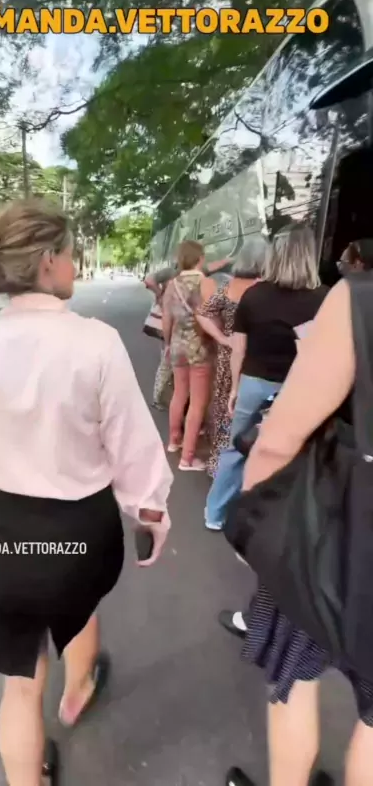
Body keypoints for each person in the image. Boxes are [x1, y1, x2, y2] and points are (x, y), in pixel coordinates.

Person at [0, 199, 173, 786]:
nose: (73, 263)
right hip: (79, 533)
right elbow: (132, 445)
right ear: (47, 260)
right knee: (78, 604)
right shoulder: (95, 343)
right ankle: (79, 689)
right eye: (70, 253)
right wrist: (150, 512)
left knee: (19, 686)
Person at [227, 276, 373, 786]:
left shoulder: (358, 300)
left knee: (293, 676)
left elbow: (277, 440)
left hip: (330, 537)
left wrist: (251, 523)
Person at [217, 226, 328, 639]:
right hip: (297, 389)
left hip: (254, 382)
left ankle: (218, 513)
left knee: (237, 448)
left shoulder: (255, 295)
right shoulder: (325, 299)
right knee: (289, 457)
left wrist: (233, 388)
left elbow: (239, 348)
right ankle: (272, 520)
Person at [196, 236, 269, 481]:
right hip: (256, 359)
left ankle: (218, 464)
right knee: (253, 414)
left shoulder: (229, 286)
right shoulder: (266, 288)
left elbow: (203, 313)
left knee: (223, 410)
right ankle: (247, 469)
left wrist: (223, 339)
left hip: (228, 357)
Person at [145, 257, 231, 409]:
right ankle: (160, 397)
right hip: (178, 325)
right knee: (168, 362)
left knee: (170, 361)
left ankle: (165, 397)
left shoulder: (181, 273)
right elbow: (149, 280)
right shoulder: (174, 272)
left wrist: (228, 260)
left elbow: (212, 266)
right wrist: (160, 295)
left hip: (176, 326)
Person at [161, 240, 216, 470]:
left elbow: (166, 319)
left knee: (179, 393)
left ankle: (174, 440)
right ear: (200, 258)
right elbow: (212, 317)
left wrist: (167, 344)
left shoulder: (171, 284)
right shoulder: (206, 283)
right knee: (197, 402)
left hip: (177, 346)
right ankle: (188, 458)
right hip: (199, 348)